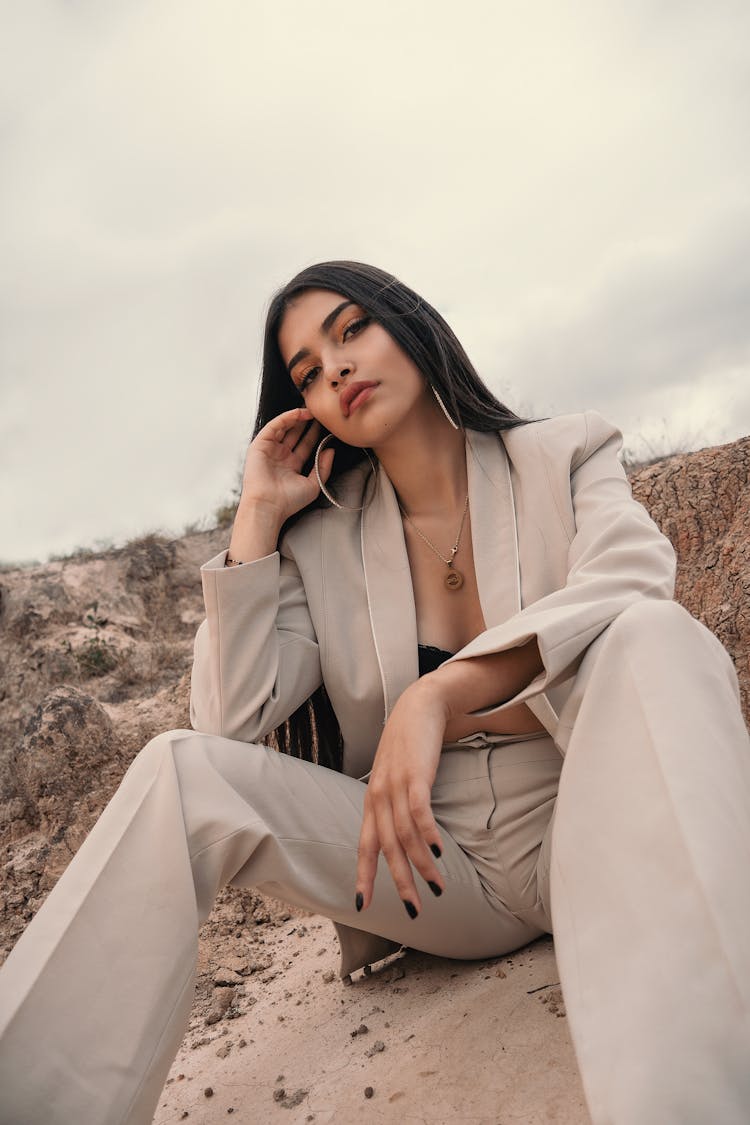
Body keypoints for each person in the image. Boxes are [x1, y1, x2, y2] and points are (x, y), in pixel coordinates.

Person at [0, 260, 748, 1125]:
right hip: (430, 869)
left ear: (413, 325)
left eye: (352, 330)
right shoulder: (320, 545)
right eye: (309, 371)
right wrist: (258, 519)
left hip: (597, 823)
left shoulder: (565, 452)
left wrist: (436, 697)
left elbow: (631, 579)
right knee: (178, 769)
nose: (336, 369)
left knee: (655, 634)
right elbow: (228, 718)